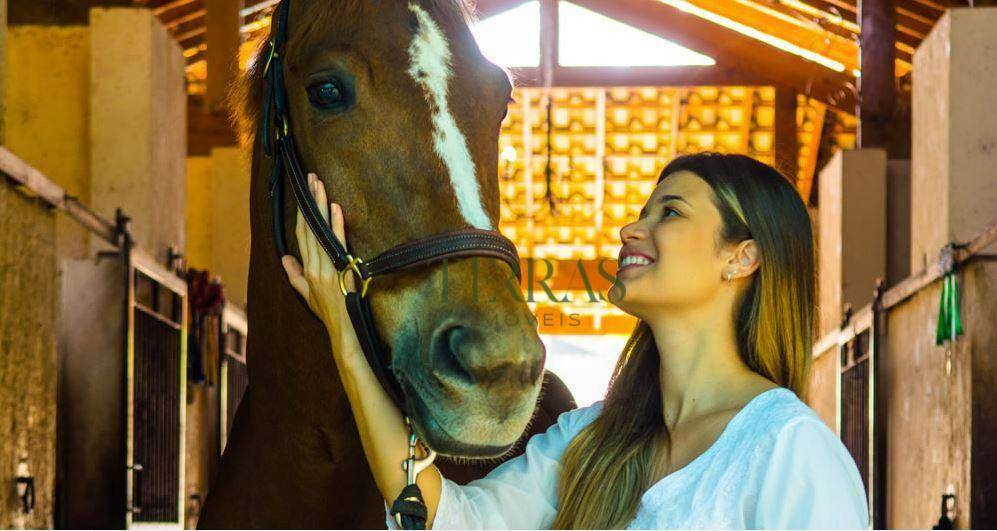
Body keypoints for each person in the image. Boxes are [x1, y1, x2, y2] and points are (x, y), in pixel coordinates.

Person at [281, 152, 869, 529]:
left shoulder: (790, 452)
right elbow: (445, 518)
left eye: (671, 212)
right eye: (643, 210)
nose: (630, 228)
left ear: (741, 258)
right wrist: (345, 334)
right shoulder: (591, 440)